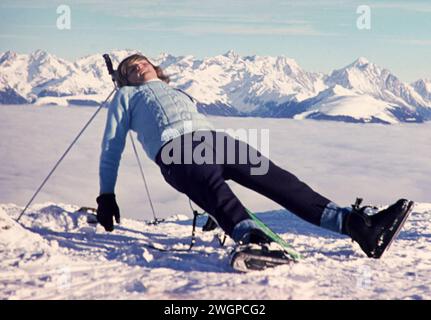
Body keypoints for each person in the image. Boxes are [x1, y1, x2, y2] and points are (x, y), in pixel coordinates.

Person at [96, 53, 414, 260]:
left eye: (140, 61)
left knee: (282, 183)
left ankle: (358, 226)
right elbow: (112, 145)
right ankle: (253, 239)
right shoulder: (126, 96)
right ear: (124, 80)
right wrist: (106, 194)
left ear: (154, 67)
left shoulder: (179, 93)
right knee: (216, 192)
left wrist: (207, 214)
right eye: (129, 68)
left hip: (215, 141)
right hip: (175, 150)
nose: (136, 66)